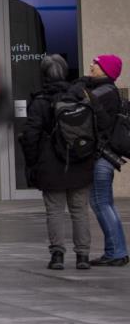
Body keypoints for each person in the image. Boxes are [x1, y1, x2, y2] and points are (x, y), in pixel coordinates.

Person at [18, 54, 93, 270]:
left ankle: (58, 255)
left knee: (55, 211)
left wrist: (33, 163)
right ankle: (83, 256)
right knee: (80, 210)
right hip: (80, 161)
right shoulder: (80, 97)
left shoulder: (40, 101)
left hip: (50, 165)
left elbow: (30, 135)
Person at [80, 54, 128, 266]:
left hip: (101, 157)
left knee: (101, 203)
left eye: (96, 63)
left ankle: (117, 252)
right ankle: (114, 251)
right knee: (103, 203)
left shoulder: (103, 93)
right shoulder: (107, 91)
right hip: (105, 157)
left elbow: (83, 110)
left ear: (106, 70)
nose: (91, 65)